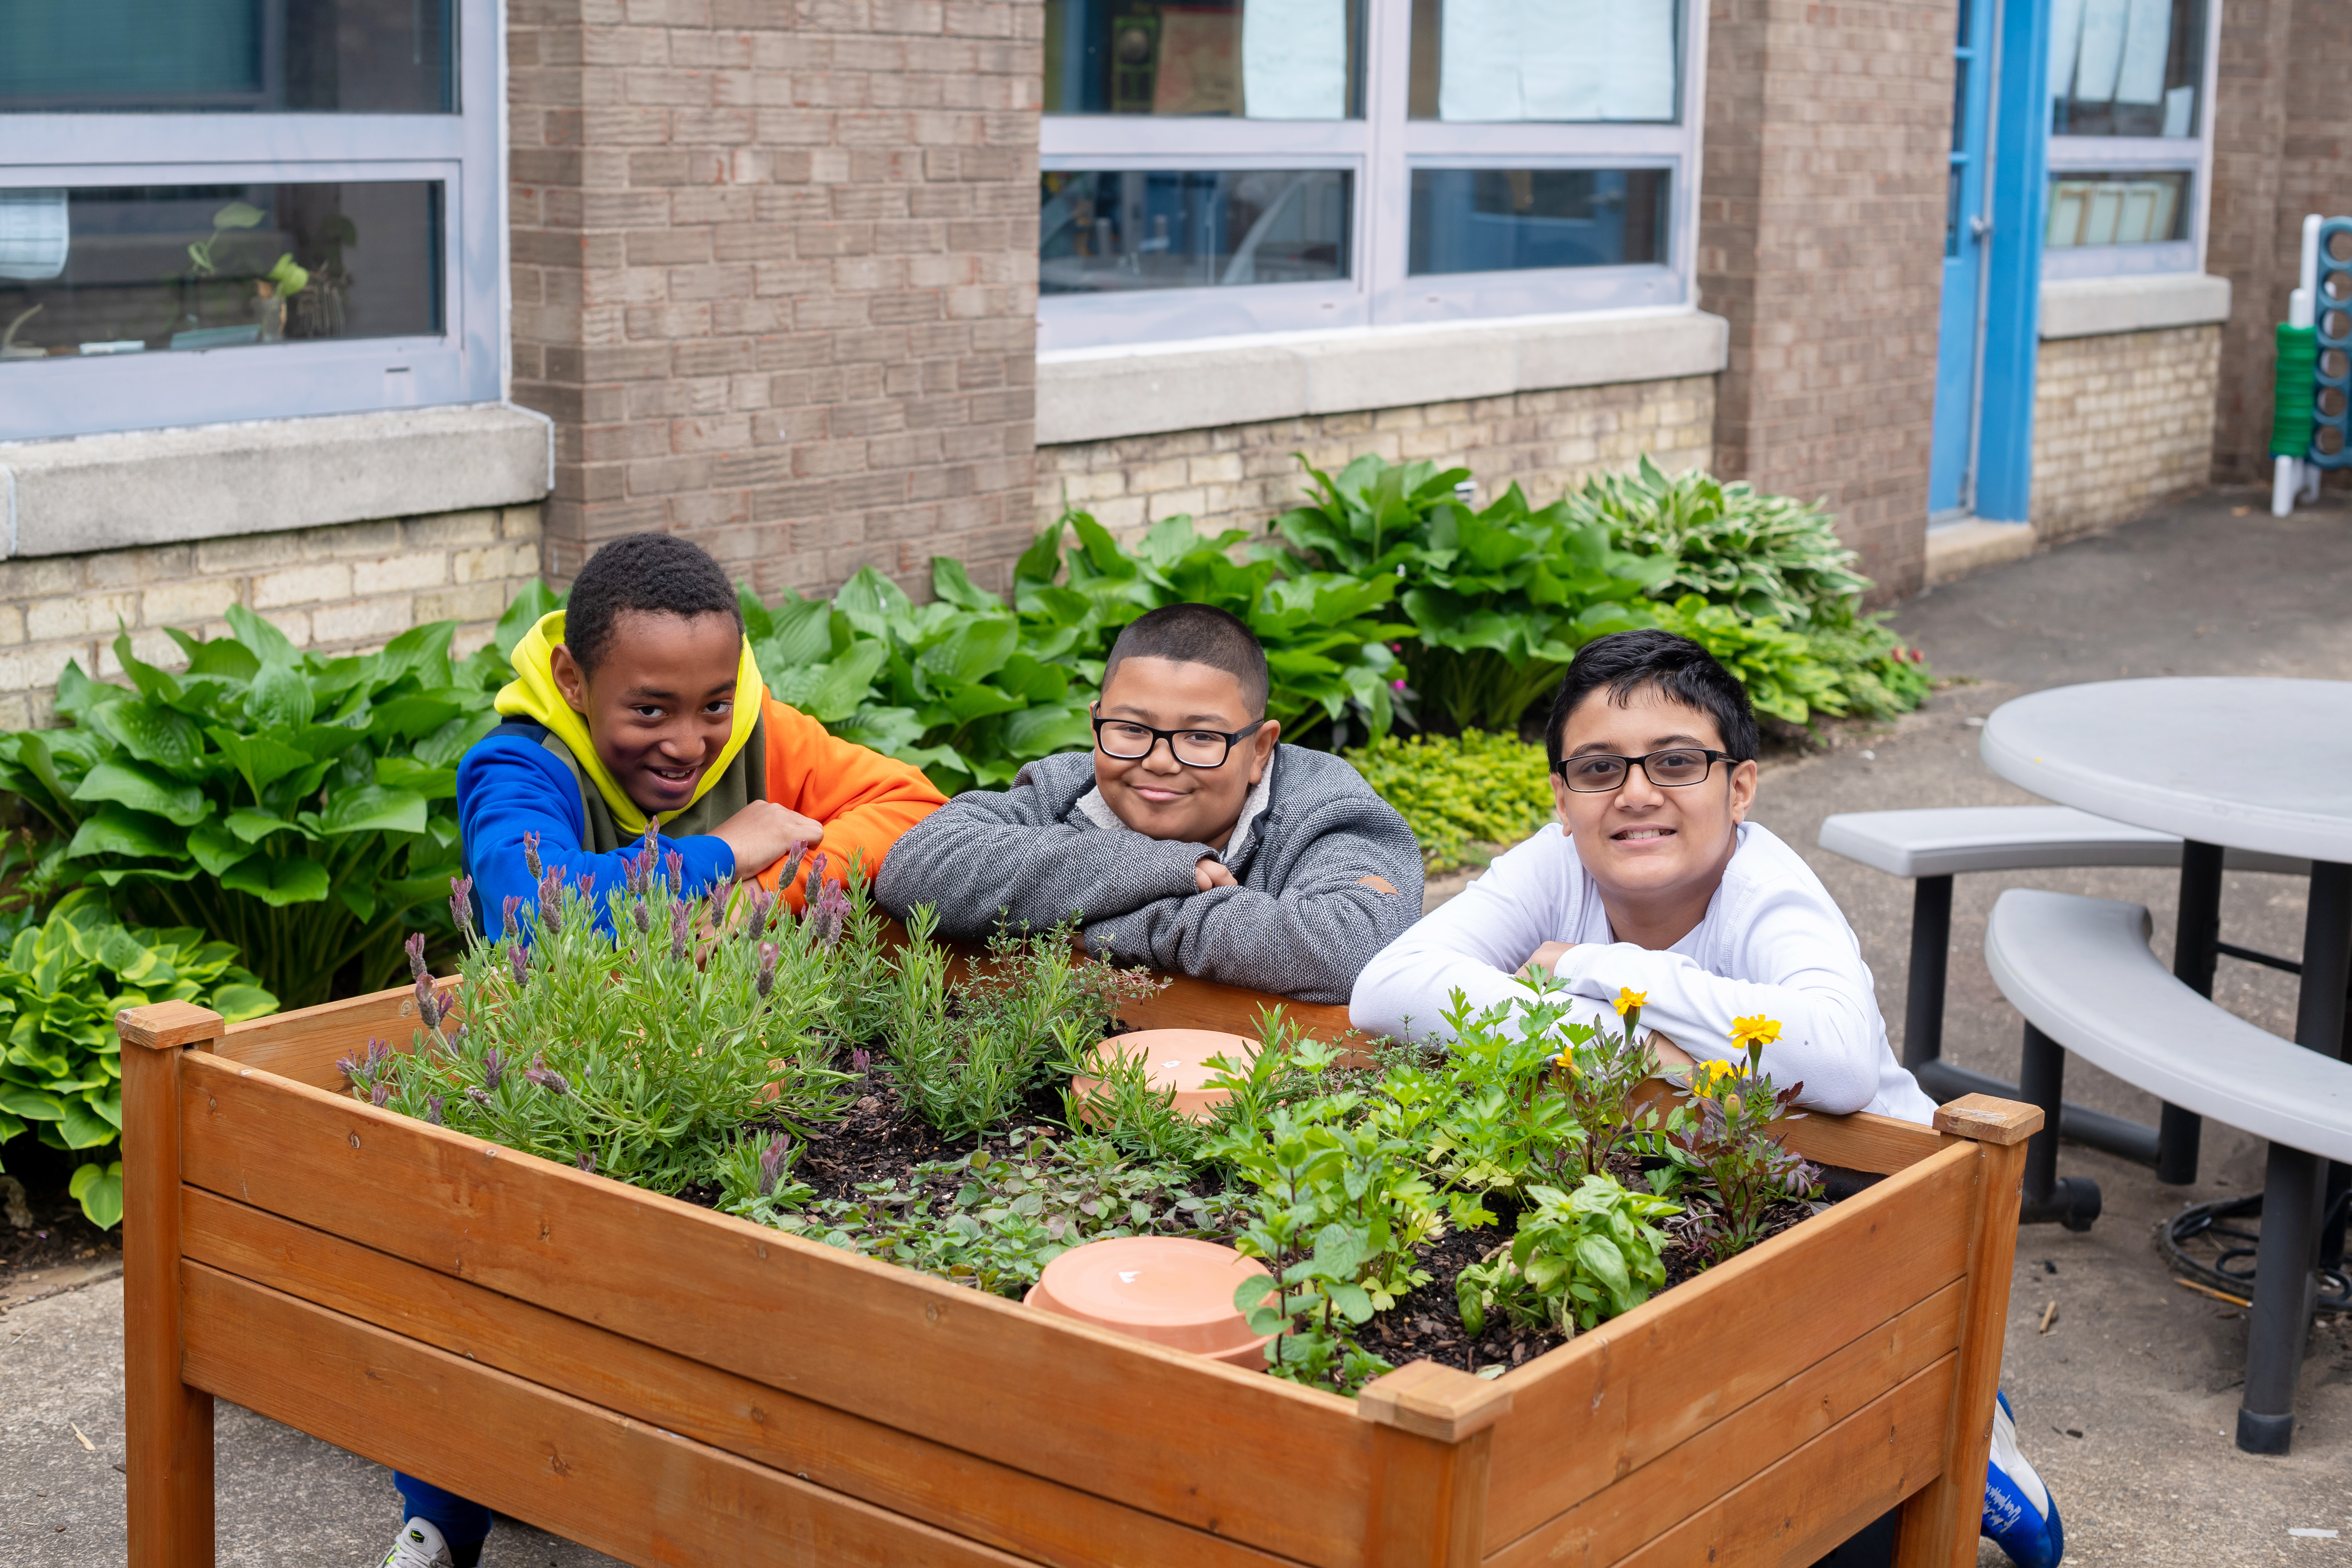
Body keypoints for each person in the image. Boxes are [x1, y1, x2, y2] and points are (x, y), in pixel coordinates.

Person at [1347, 627, 2063, 1568]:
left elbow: (1839, 1062)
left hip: (1861, 1201)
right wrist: (1633, 1044)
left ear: (1741, 785)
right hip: (1682, 1182)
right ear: (1561, 797)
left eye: (1677, 761)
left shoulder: (1768, 889)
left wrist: (1598, 965)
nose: (1637, 792)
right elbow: (1388, 989)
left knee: (1826, 1507)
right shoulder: (1554, 861)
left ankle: (1975, 1427)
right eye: (1599, 768)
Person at [389, 534, 945, 1568]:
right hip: (565, 1092)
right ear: (573, 677)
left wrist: (761, 899)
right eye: (649, 710)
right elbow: (529, 911)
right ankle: (437, 1520)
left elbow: (914, 809)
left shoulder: (770, 738)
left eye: (712, 704)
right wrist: (723, 853)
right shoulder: (520, 763)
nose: (689, 742)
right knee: (492, 1290)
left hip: (736, 1081)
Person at [873, 602, 1422, 1004]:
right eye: (1132, 728)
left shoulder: (1328, 808)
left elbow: (1350, 949)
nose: (1160, 761)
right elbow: (917, 866)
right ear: (1096, 723)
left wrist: (1108, 926)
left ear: (1259, 749)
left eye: (1201, 738)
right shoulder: (1064, 787)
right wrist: (1161, 865)